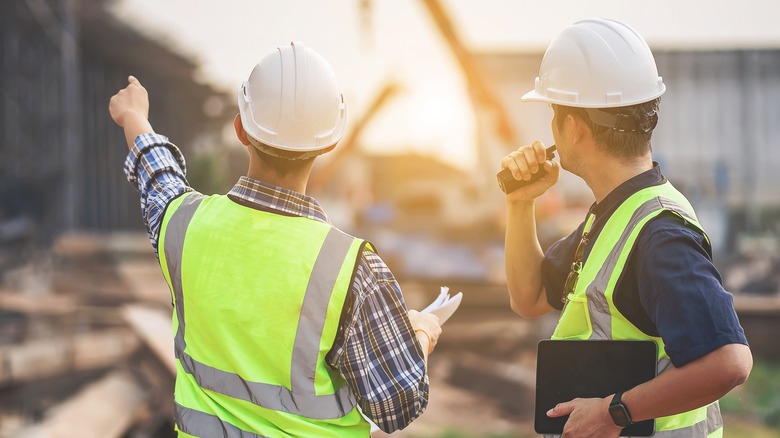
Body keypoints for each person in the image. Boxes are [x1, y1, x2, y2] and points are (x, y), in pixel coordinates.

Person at [109, 41, 442, 437]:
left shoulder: (185, 225)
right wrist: (421, 333)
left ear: (240, 129)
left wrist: (134, 118)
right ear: (330, 142)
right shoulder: (353, 269)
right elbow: (397, 406)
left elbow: (158, 179)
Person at [499, 19, 752, 438]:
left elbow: (729, 362)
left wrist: (614, 412)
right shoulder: (616, 213)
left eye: (553, 114)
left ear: (574, 129)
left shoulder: (659, 234)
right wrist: (520, 203)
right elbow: (530, 298)